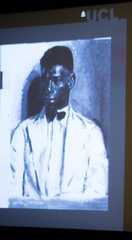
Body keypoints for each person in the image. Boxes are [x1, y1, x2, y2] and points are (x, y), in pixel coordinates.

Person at [10, 46, 108, 206]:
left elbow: (97, 196)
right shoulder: (23, 132)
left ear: (71, 81)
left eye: (56, 80)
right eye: (45, 80)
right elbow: (12, 195)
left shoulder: (91, 134)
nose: (48, 88)